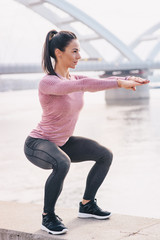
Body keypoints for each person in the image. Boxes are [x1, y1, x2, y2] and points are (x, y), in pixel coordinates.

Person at [24, 30, 149, 235]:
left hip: (62, 142)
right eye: (74, 51)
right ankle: (48, 217)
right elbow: (82, 85)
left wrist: (127, 78)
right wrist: (119, 82)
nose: (79, 56)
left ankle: (87, 204)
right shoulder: (48, 82)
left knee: (104, 154)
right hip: (38, 144)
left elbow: (91, 84)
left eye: (79, 51)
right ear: (59, 52)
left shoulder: (75, 77)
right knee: (62, 162)